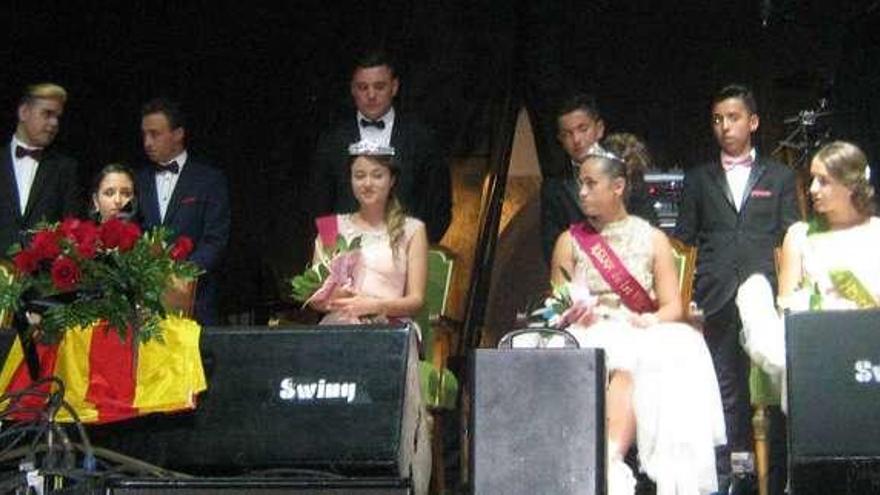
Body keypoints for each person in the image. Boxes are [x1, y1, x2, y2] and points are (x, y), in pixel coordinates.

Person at [551, 145, 725, 495]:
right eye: (579, 184)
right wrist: (572, 309)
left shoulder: (652, 238)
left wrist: (651, 319)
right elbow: (557, 302)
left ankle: (611, 461)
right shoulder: (569, 241)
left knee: (654, 352)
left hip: (636, 326)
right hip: (587, 329)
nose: (582, 192)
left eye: (591, 183)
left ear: (617, 187)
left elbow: (674, 306)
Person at [674, 84, 799, 493]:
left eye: (733, 117)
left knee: (778, 388)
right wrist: (684, 300)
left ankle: (776, 477)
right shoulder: (698, 178)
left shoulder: (780, 177)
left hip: (765, 297)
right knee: (724, 390)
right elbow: (684, 243)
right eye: (717, 119)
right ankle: (730, 477)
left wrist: (787, 299)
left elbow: (789, 240)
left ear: (753, 121)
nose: (724, 126)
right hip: (715, 294)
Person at [737, 140, 880, 385]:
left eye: (823, 181)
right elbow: (788, 311)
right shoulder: (800, 236)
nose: (812, 189)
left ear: (850, 185)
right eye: (812, 179)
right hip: (815, 349)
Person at [309, 50, 451, 243]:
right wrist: (332, 249)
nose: (371, 95)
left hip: (404, 257)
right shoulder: (332, 140)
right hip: (346, 257)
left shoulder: (422, 139)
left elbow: (439, 205)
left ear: (394, 87)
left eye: (379, 86)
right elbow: (320, 204)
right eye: (362, 87)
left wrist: (415, 250)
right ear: (352, 89)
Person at [309, 141, 428, 325]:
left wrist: (375, 306)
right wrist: (336, 298)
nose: (367, 183)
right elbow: (315, 298)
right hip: (339, 326)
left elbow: (416, 301)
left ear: (392, 180)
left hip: (388, 328)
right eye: (359, 176)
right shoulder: (330, 226)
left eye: (377, 175)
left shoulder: (413, 229)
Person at [136, 98, 230, 325]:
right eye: (144, 135)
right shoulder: (137, 181)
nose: (147, 142)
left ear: (178, 134)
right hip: (145, 305)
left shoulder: (208, 180)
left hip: (197, 302)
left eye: (155, 134)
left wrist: (180, 276)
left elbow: (215, 240)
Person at [541, 94, 657, 263]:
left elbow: (649, 227)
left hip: (631, 274)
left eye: (583, 129)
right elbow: (551, 250)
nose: (576, 139)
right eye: (568, 134)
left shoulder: (627, 171)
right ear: (560, 140)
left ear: (599, 129)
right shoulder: (554, 188)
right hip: (580, 279)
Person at [0, 82, 81, 255]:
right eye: (47, 114)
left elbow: (70, 225)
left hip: (42, 276)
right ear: (23, 112)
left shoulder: (65, 169)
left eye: (57, 117)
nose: (54, 123)